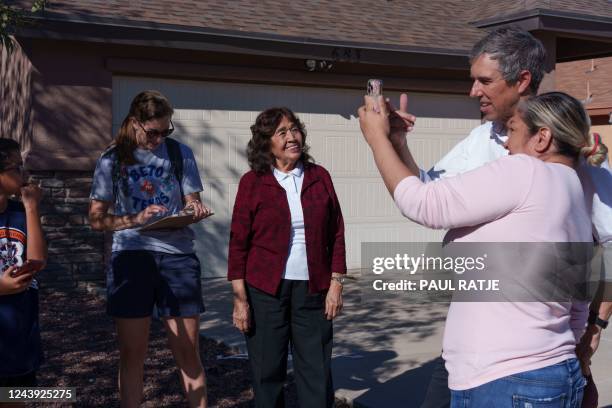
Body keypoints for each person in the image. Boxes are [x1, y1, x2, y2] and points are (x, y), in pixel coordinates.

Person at [386, 26, 611, 408]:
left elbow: (605, 245)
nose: (473, 91)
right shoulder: (480, 142)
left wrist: (595, 325)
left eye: (484, 80)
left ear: (522, 80)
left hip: (529, 356)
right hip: (475, 345)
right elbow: (427, 191)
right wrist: (397, 144)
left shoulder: (567, 148)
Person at [89, 90, 212, 408]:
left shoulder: (179, 153)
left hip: (178, 259)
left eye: (166, 131)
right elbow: (97, 220)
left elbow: (192, 201)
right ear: (134, 123)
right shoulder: (112, 159)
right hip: (131, 257)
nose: (159, 138)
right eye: (153, 131)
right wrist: (135, 218)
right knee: (133, 353)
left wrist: (194, 210)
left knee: (187, 351)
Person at [228, 107, 346, 408]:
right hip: (266, 290)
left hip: (314, 289)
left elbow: (336, 232)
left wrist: (336, 284)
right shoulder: (253, 182)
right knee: (268, 370)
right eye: (282, 132)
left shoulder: (319, 177)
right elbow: (239, 241)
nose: (292, 136)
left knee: (316, 370)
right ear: (266, 142)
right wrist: (240, 298)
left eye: (294, 129)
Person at [0, 138, 47, 388]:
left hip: (20, 334)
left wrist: (31, 208)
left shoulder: (20, 211)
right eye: (16, 167)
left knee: (17, 398)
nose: (24, 173)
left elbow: (38, 261)